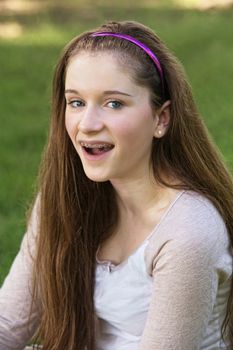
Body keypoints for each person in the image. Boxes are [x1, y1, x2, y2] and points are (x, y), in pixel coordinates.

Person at [0, 20, 233, 350]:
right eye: (76, 102)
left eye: (114, 103)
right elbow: (9, 322)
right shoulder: (66, 198)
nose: (88, 125)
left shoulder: (188, 231)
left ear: (161, 119)